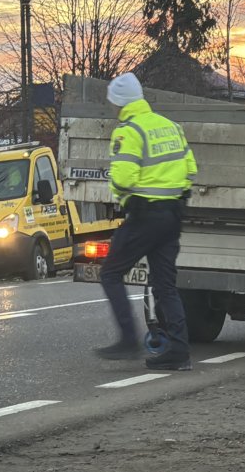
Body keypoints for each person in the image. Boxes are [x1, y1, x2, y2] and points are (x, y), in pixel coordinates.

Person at [95, 72, 198, 371]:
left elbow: (124, 178)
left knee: (111, 273)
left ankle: (128, 340)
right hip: (173, 213)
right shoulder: (170, 126)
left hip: (144, 215)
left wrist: (117, 186)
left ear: (120, 103)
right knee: (165, 285)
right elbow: (191, 167)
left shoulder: (129, 131)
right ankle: (179, 352)